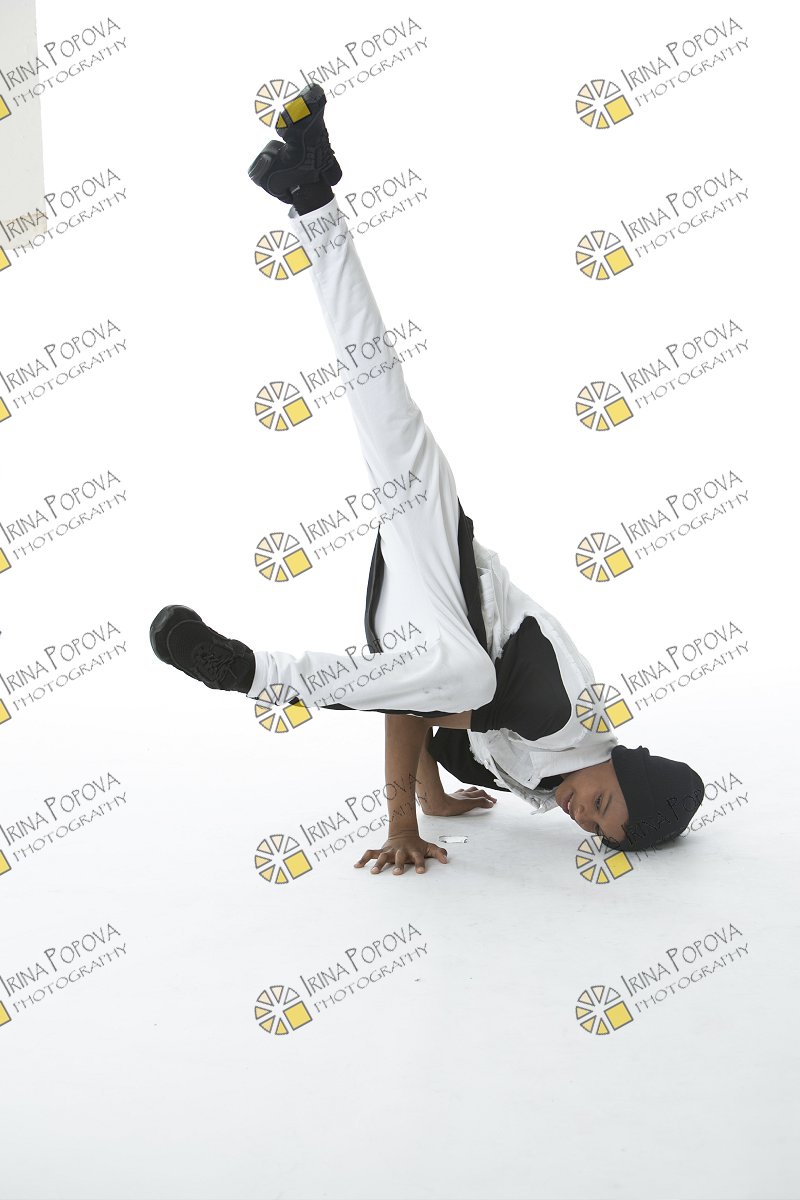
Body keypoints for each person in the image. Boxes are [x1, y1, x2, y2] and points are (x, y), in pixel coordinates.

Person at [149, 84, 705, 876]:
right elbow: (417, 701)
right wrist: (402, 821)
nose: (582, 815)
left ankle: (309, 193)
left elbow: (411, 699)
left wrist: (437, 791)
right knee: (376, 389)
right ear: (625, 770)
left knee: (450, 671)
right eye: (604, 806)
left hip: (415, 623)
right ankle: (309, 193)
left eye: (594, 830)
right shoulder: (566, 714)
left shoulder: (539, 779)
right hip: (446, 570)